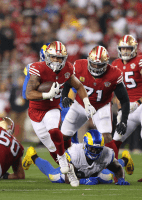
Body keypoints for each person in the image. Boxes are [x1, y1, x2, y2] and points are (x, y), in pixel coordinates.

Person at [24, 41, 96, 178]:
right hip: (36, 111)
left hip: (52, 108)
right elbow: (28, 94)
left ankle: (67, 163)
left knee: (55, 131)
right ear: (47, 56)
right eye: (53, 57)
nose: (56, 61)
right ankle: (37, 157)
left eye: (59, 58)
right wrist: (47, 95)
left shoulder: (67, 69)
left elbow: (79, 86)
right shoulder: (38, 68)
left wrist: (87, 103)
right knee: (51, 146)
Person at [61, 46, 130, 159]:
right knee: (63, 136)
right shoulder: (79, 66)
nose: (97, 67)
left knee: (106, 137)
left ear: (106, 63)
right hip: (80, 105)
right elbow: (68, 82)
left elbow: (124, 100)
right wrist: (64, 96)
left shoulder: (114, 74)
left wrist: (123, 121)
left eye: (100, 65)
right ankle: (68, 164)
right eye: (94, 64)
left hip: (101, 106)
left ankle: (114, 169)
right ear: (88, 60)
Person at [111, 35, 142, 182]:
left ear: (134, 49)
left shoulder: (141, 61)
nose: (125, 51)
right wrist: (120, 107)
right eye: (123, 48)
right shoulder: (116, 64)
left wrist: (137, 102)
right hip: (128, 107)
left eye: (128, 48)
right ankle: (114, 171)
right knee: (116, 138)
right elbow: (115, 89)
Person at [23, 130, 131, 186]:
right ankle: (32, 156)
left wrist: (121, 178)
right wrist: (84, 181)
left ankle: (126, 159)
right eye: (92, 149)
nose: (95, 152)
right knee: (52, 176)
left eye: (98, 149)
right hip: (75, 172)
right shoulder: (74, 153)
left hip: (94, 172)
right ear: (85, 145)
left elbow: (116, 168)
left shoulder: (106, 153)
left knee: (108, 177)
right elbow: (67, 177)